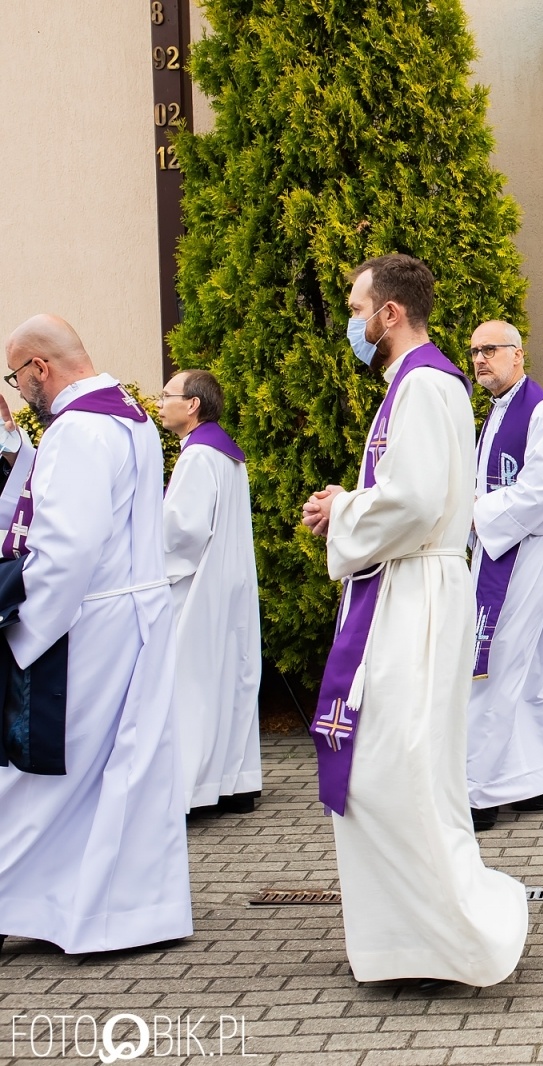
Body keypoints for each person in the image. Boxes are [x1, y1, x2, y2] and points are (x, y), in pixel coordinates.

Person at [301, 254, 527, 987]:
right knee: (396, 769)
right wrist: (354, 499)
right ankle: (410, 938)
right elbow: (404, 490)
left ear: (389, 313)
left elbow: (419, 501)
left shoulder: (425, 384)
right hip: (406, 588)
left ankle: (452, 939)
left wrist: (344, 511)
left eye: (355, 305)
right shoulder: (414, 383)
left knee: (393, 769)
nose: (351, 321)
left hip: (419, 595)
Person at [0, 315, 191, 955]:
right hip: (135, 612)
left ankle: (19, 900)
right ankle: (124, 911)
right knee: (125, 768)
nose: (19, 389)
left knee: (44, 770)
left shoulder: (77, 430)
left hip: (89, 623)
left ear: (39, 368)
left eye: (17, 375)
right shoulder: (131, 418)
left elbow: (67, 549)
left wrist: (23, 630)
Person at [464, 320, 543, 832]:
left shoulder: (542, 412)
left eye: (490, 349)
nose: (480, 359)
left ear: (518, 354)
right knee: (537, 660)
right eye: (473, 352)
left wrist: (476, 513)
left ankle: (478, 789)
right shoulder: (496, 412)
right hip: (504, 547)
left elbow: (541, 490)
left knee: (496, 659)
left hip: (528, 548)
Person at [159, 369, 262, 815]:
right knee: (228, 679)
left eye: (168, 395)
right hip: (229, 580)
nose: (160, 403)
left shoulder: (198, 456)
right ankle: (235, 781)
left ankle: (195, 790)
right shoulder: (225, 453)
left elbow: (183, 530)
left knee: (193, 684)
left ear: (193, 405)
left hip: (199, 585)